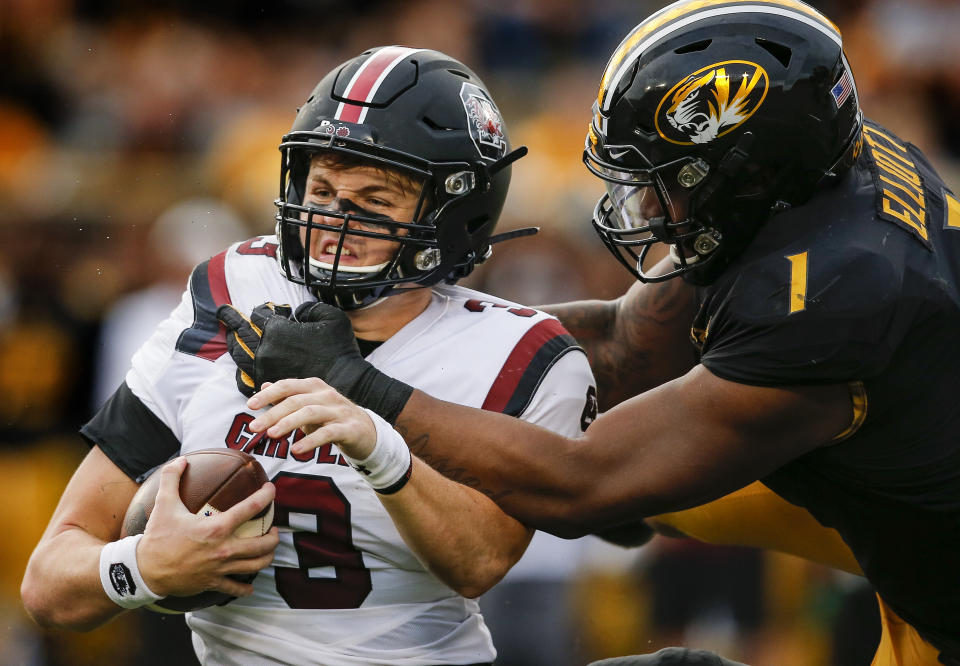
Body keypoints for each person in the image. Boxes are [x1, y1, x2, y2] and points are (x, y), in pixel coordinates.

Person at [227, 2, 960, 664]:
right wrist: (413, 342)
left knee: (626, 488)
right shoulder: (815, 173)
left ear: (752, 167)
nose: (643, 200)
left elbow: (581, 483)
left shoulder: (835, 295)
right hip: (911, 500)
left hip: (940, 598)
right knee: (661, 487)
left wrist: (360, 384)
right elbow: (625, 345)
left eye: (667, 175)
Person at [20, 46, 597, 665]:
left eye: (374, 203)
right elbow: (49, 585)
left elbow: (480, 562)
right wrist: (141, 565)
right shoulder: (234, 289)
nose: (333, 221)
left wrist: (380, 447)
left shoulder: (515, 352)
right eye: (321, 190)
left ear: (455, 215)